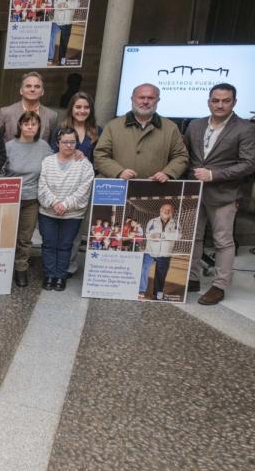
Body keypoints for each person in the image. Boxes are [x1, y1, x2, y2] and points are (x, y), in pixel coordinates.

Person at [184, 83, 255, 305]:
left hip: (224, 193)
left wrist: (213, 175)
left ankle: (219, 285)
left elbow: (248, 164)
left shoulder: (245, 128)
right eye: (216, 100)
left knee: (222, 241)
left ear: (234, 102)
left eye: (226, 100)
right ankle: (192, 278)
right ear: (209, 101)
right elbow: (185, 156)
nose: (220, 104)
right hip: (195, 192)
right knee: (193, 237)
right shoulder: (194, 125)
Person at [93, 83, 189, 182]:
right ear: (132, 99)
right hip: (118, 188)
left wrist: (167, 173)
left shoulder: (170, 128)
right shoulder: (113, 126)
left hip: (155, 189)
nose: (145, 101)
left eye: (151, 98)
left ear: (158, 100)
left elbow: (181, 156)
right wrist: (118, 172)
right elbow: (100, 155)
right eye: (141, 97)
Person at [38, 126, 95, 290]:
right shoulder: (47, 162)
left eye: (72, 142)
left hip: (72, 214)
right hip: (48, 212)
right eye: (65, 142)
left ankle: (60, 276)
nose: (69, 145)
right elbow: (42, 186)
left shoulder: (85, 165)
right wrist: (55, 203)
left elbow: (84, 189)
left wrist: (65, 204)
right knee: (48, 244)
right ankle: (49, 275)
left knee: (65, 245)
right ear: (58, 143)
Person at [4, 112, 54, 287]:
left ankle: (21, 269)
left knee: (25, 238)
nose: (30, 127)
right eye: (27, 124)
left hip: (31, 199)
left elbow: (52, 168)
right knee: (7, 236)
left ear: (39, 127)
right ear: (20, 126)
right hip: (9, 199)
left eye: (34, 124)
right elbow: (0, 171)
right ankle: (2, 268)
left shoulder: (44, 147)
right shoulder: (9, 146)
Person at [0, 72, 58, 143]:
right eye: (28, 86)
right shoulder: (5, 112)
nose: (32, 89)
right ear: (21, 91)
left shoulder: (52, 116)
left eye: (37, 86)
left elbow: (52, 144)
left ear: (42, 92)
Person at [140, 202, 180, 301]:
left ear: (172, 212)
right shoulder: (152, 221)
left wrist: (162, 235)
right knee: (143, 269)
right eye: (164, 210)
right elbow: (149, 234)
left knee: (160, 276)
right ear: (160, 211)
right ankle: (141, 290)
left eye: (169, 210)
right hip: (150, 252)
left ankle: (157, 295)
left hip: (165, 254)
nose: (167, 211)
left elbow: (178, 236)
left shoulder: (176, 223)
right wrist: (159, 236)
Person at [50, 92, 101, 160]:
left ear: (91, 110)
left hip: (89, 169)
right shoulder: (59, 130)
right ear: (71, 109)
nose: (82, 111)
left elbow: (99, 158)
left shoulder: (98, 131)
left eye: (86, 107)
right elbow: (53, 156)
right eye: (78, 107)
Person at [50, 0, 80, 66]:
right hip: (57, 21)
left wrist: (65, 5)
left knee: (64, 42)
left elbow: (77, 5)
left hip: (67, 22)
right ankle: (50, 58)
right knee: (51, 38)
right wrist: (62, 6)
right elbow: (55, 5)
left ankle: (61, 61)